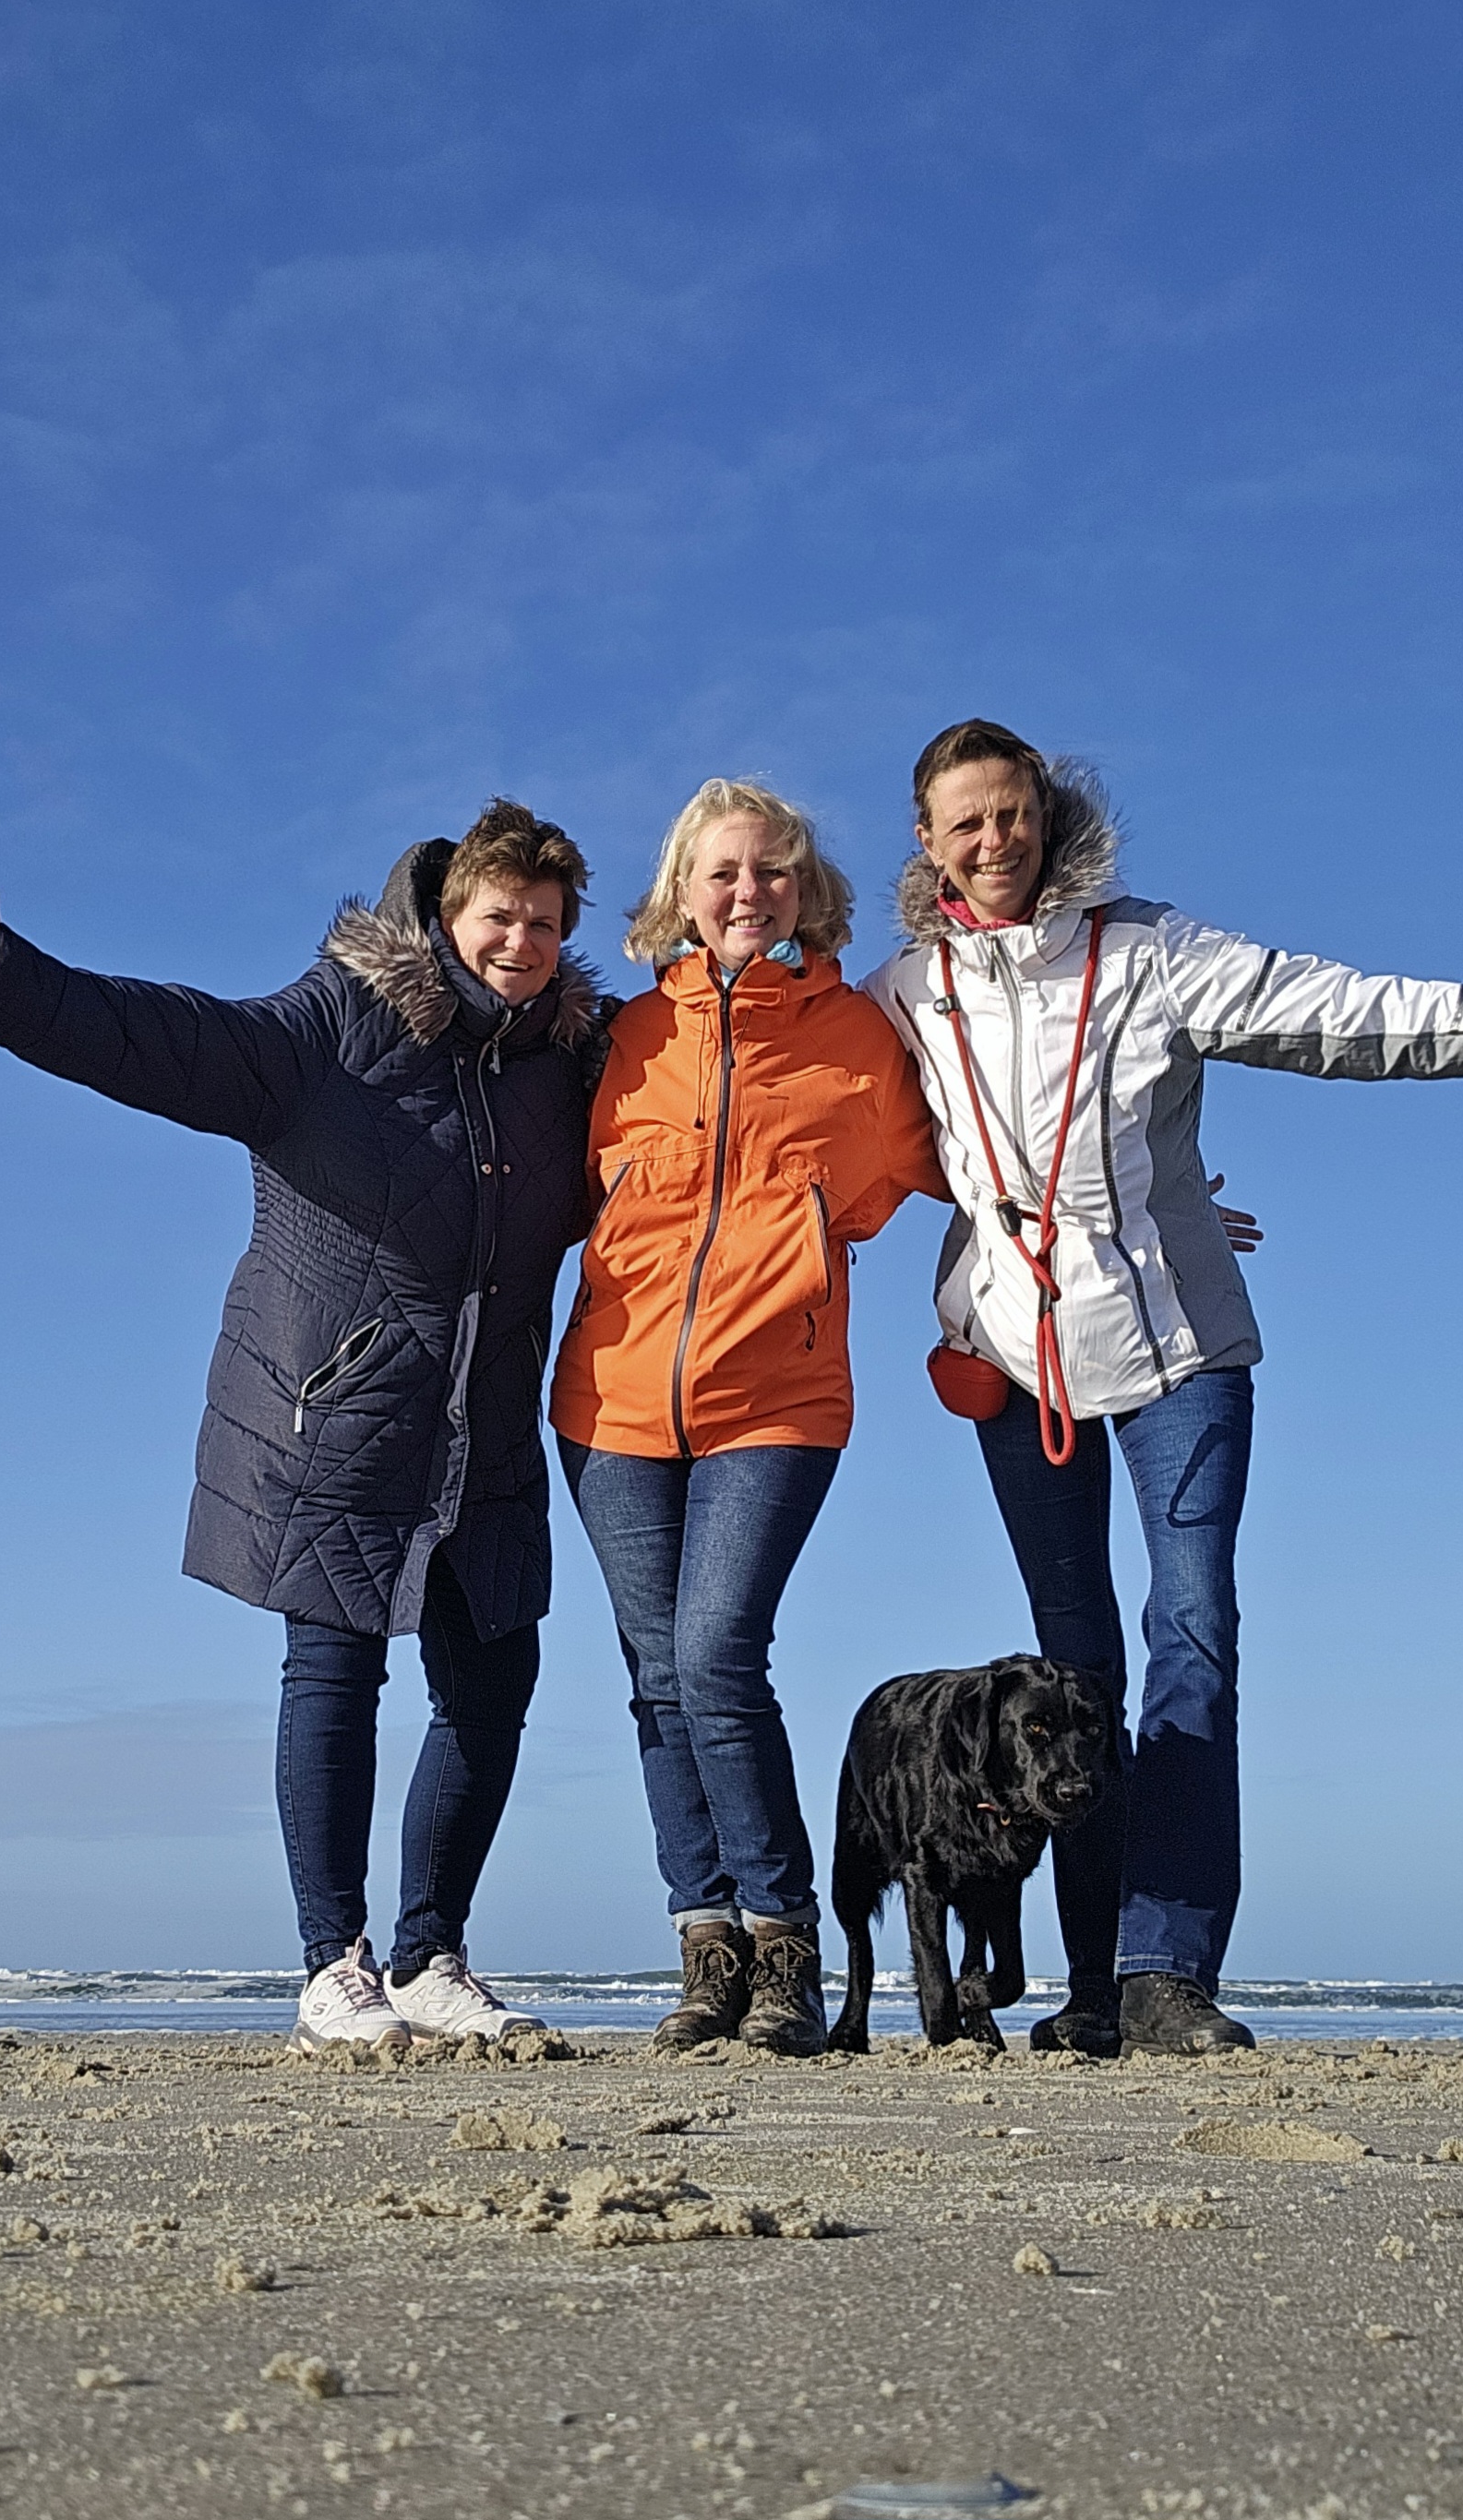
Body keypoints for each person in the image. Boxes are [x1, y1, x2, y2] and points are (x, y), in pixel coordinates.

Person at [861, 719, 1463, 2057]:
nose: (996, 840)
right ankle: (1090, 1991)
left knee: (1193, 1631)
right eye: (966, 822)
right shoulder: (901, 995)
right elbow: (802, 1111)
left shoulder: (1148, 952)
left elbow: (1362, 1015)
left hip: (1180, 1351)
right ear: (927, 842)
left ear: (1047, 815)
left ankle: (1162, 1973)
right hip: (1012, 1364)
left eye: (1014, 812)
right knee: (1073, 1669)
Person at [0, 803, 612, 2053]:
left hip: (485, 1427)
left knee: (493, 1684)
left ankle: (433, 1958)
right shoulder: (337, 1023)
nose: (522, 943)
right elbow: (169, 1042)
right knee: (335, 1671)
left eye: (545, 924)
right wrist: (5, 987)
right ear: (448, 917)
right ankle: (333, 1966)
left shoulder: (567, 1068)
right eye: (500, 917)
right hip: (338, 1407)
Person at [546, 781, 950, 2055]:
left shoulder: (860, 1037)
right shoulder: (621, 1038)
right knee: (657, 1677)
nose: (748, 893)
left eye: (772, 871)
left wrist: (1146, 1205)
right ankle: (705, 1945)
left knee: (716, 1653)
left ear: (804, 889)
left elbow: (975, 1160)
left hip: (778, 1397)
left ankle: (783, 1945)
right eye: (723, 872)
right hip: (609, 1400)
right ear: (682, 890)